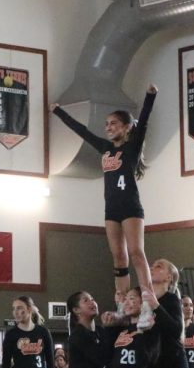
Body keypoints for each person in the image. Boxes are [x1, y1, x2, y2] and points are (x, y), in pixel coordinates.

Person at [51, 86, 158, 326]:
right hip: (111, 209)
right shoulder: (105, 148)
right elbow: (82, 131)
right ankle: (123, 306)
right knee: (119, 259)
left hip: (130, 206)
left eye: (113, 123)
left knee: (136, 253)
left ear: (126, 127)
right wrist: (59, 112)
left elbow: (145, 122)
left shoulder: (132, 146)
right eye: (107, 124)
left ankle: (148, 304)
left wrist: (150, 96)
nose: (108, 127)